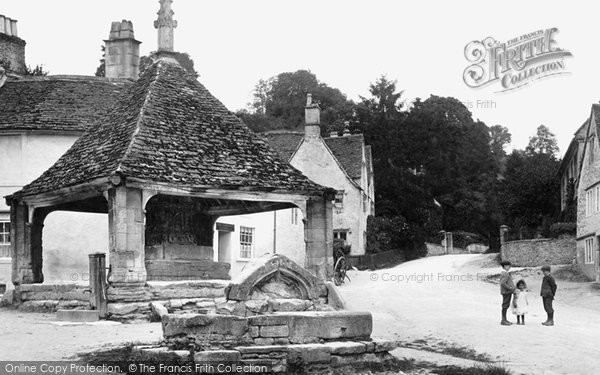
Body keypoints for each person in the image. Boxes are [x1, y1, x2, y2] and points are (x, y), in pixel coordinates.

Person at [499, 260, 516, 325]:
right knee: (505, 305)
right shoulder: (505, 273)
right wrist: (510, 288)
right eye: (509, 266)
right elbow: (503, 283)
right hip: (506, 292)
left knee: (506, 305)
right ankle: (503, 320)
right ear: (505, 266)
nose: (509, 267)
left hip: (506, 292)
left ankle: (504, 319)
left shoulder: (505, 273)